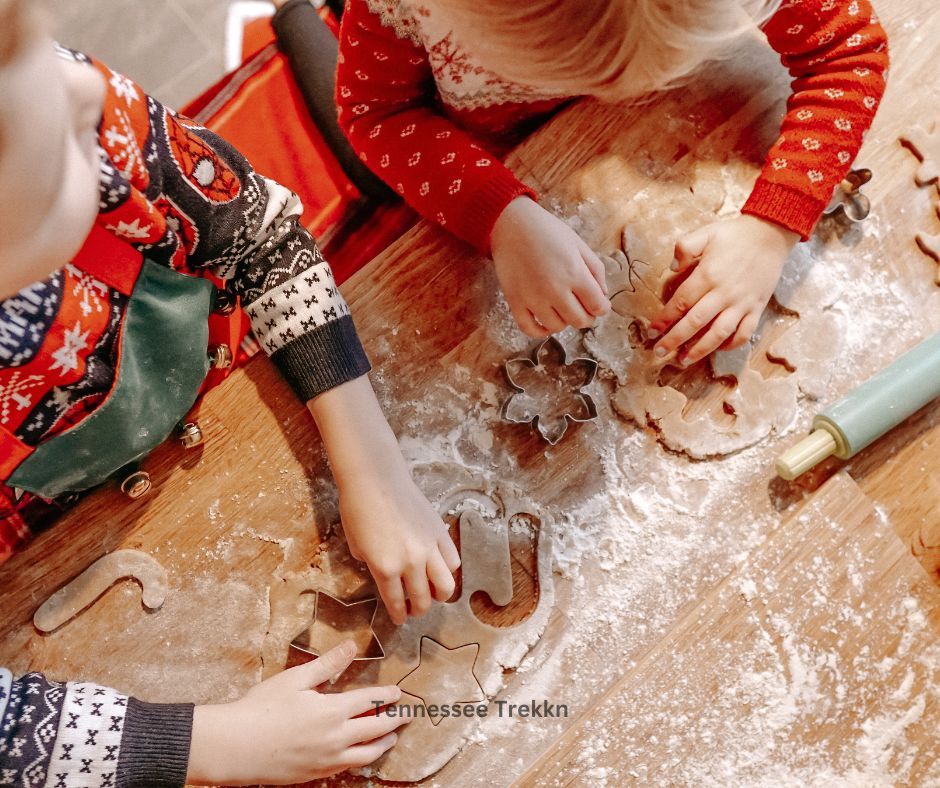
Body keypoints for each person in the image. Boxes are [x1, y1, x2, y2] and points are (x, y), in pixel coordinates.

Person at [0, 0, 459, 782]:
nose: (86, 86)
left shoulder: (71, 94)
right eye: (68, 138)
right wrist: (209, 746)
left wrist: (373, 471)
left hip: (215, 391)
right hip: (42, 536)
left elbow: (263, 239)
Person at [335, 0, 888, 365]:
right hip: (459, 128)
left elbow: (850, 51)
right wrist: (499, 216)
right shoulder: (403, 9)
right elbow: (375, 114)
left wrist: (773, 225)